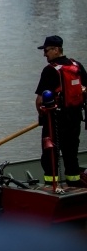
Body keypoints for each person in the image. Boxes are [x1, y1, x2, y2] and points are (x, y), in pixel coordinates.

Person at [34, 35, 86, 186]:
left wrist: (42, 117)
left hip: (54, 120)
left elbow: (39, 101)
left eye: (47, 50)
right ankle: (74, 183)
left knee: (50, 154)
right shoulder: (77, 66)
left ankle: (52, 186)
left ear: (56, 50)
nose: (45, 54)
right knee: (71, 153)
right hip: (75, 118)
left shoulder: (50, 70)